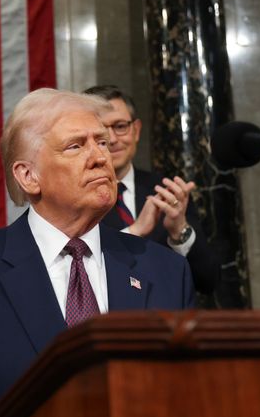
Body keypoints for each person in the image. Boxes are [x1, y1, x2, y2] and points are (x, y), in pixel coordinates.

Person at [0, 89, 193, 417]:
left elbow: (192, 395)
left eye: (102, 143)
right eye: (76, 146)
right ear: (28, 176)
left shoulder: (166, 269)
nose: (100, 157)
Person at [83, 84, 221, 296]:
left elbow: (208, 281)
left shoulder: (166, 191)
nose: (112, 139)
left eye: (120, 126)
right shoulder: (72, 197)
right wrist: (135, 231)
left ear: (136, 130)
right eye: (101, 131)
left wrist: (179, 232)